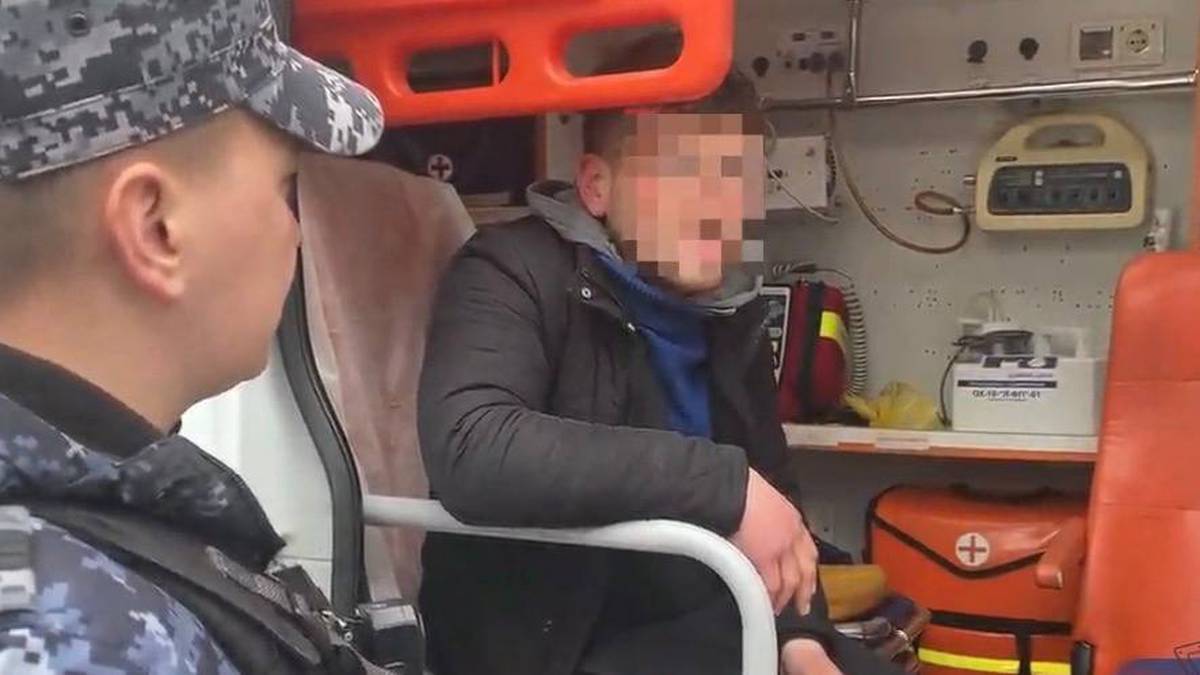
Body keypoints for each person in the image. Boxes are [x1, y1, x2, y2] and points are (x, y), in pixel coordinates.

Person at [417, 31, 903, 675]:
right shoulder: (509, 268)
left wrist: (800, 640)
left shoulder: (731, 313)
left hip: (714, 619)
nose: (717, 206)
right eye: (681, 173)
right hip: (555, 644)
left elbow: (776, 501)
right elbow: (473, 448)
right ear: (597, 186)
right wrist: (723, 485)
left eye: (736, 178)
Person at [0, 0, 383, 672]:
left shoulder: (92, 547)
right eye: (285, 188)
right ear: (157, 228)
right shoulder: (78, 641)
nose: (294, 232)